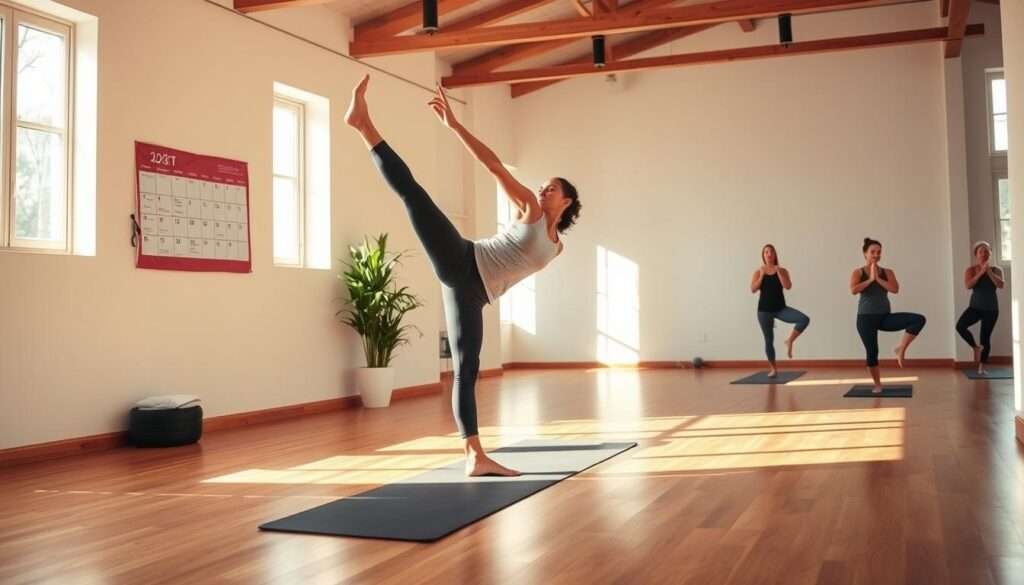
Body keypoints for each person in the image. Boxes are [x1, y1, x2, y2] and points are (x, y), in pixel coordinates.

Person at [344, 75, 581, 476]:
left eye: (551, 188)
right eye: (541, 185)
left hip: (475, 294)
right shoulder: (531, 210)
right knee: (414, 194)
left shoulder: (557, 246)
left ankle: (475, 456)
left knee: (466, 370)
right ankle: (363, 125)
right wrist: (454, 125)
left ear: (568, 200)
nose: (542, 190)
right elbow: (491, 165)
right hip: (464, 260)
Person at [849, 237, 926, 393]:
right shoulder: (858, 272)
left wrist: (877, 278)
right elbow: (853, 290)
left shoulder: (887, 272)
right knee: (872, 353)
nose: (876, 255)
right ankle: (877, 384)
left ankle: (901, 349)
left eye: (879, 252)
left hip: (884, 317)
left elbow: (894, 289)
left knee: (918, 319)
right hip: (865, 319)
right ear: (865, 254)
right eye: (872, 252)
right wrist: (870, 279)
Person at [750, 244, 810, 378]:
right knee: (768, 340)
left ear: (775, 254)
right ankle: (773, 369)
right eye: (766, 252)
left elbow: (788, 286)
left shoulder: (782, 270)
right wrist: (761, 276)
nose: (769, 254)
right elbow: (753, 289)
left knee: (804, 319)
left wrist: (778, 272)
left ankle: (790, 341)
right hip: (764, 311)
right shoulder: (758, 271)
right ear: (763, 255)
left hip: (781, 309)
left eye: (771, 252)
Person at [956, 241, 1004, 375]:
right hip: (975, 307)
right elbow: (968, 285)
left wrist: (989, 272)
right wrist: (981, 272)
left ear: (990, 254)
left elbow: (1000, 285)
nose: (984, 254)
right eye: (981, 251)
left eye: (987, 251)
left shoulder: (997, 270)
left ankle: (982, 367)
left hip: (991, 309)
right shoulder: (970, 270)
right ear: (976, 255)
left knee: (985, 338)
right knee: (960, 326)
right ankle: (975, 347)